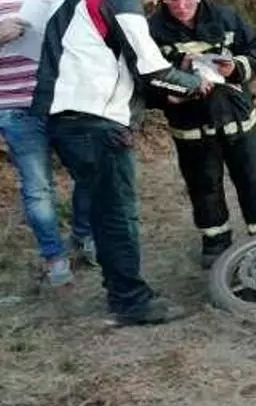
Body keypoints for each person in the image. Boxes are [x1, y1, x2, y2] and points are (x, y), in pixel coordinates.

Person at [31, 0, 213, 326]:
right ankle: (131, 301)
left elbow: (114, 63)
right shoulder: (118, 1)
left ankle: (121, 290)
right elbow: (149, 66)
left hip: (68, 120)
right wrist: (194, 82)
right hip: (96, 122)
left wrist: (164, 92)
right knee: (117, 215)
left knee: (104, 212)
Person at [147, 0, 256, 269]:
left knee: (253, 179)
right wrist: (173, 90)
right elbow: (144, 79)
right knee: (203, 186)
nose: (181, 6)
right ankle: (216, 241)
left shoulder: (226, 17)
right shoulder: (152, 30)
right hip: (191, 126)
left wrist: (234, 68)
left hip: (237, 119)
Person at [0, 3, 95, 288]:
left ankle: (82, 235)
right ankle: (55, 258)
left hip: (63, 100)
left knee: (89, 171)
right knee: (37, 187)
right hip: (16, 108)